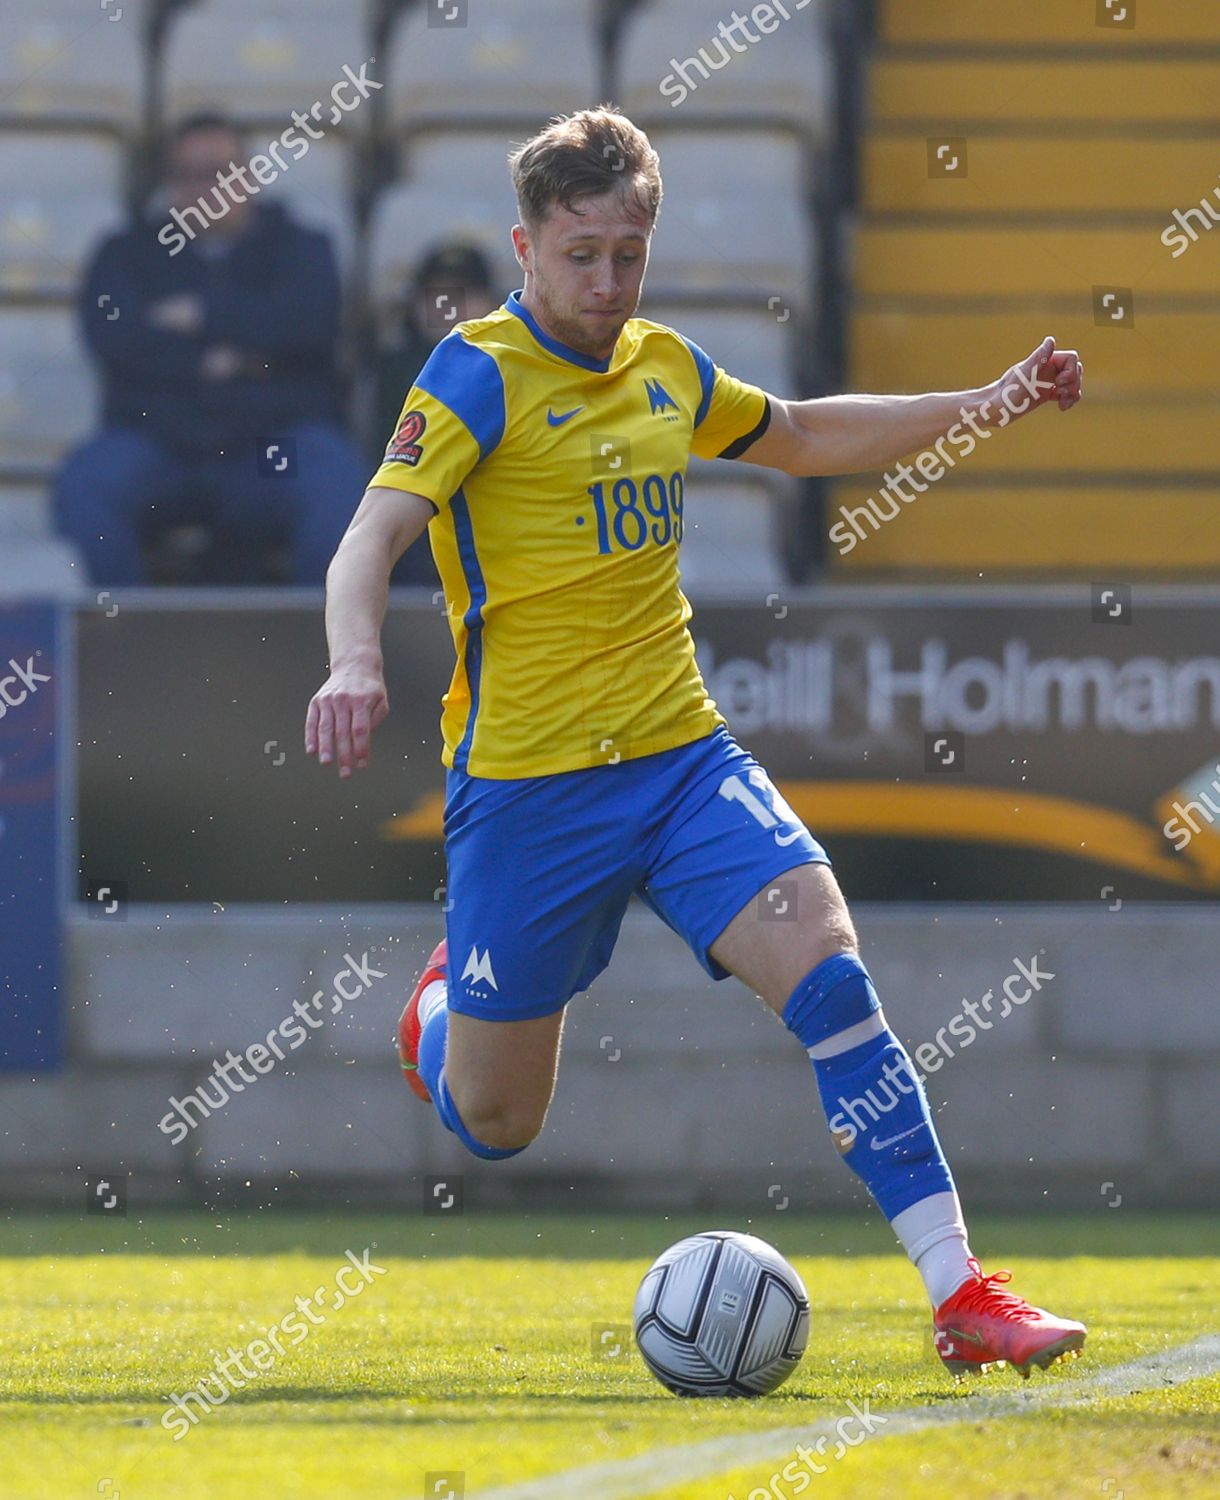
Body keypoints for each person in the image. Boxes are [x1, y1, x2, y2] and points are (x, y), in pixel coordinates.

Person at [304, 107, 1087, 1379]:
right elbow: (369, 538)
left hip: (681, 762)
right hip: (527, 795)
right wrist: (351, 660)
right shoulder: (473, 374)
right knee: (498, 1121)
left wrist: (984, 403)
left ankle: (962, 1294)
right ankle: (439, 1013)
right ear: (525, 245)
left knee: (832, 979)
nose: (605, 283)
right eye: (579, 256)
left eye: (626, 253)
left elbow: (805, 436)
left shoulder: (663, 365)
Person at [54, 112, 367, 585]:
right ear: (169, 184)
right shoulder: (125, 252)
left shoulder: (304, 247)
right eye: (191, 176)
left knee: (335, 480)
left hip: (269, 449)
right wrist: (240, 357)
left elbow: (311, 327)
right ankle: (121, 645)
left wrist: (202, 315)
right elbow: (116, 344)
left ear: (250, 178)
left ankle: (319, 651)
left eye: (222, 173)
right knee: (87, 483)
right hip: (162, 447)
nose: (208, 189)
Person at [372, 242, 499, 585]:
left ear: (489, 302)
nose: (448, 307)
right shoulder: (396, 370)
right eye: (437, 296)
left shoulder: (512, 368)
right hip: (420, 505)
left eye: (463, 296)